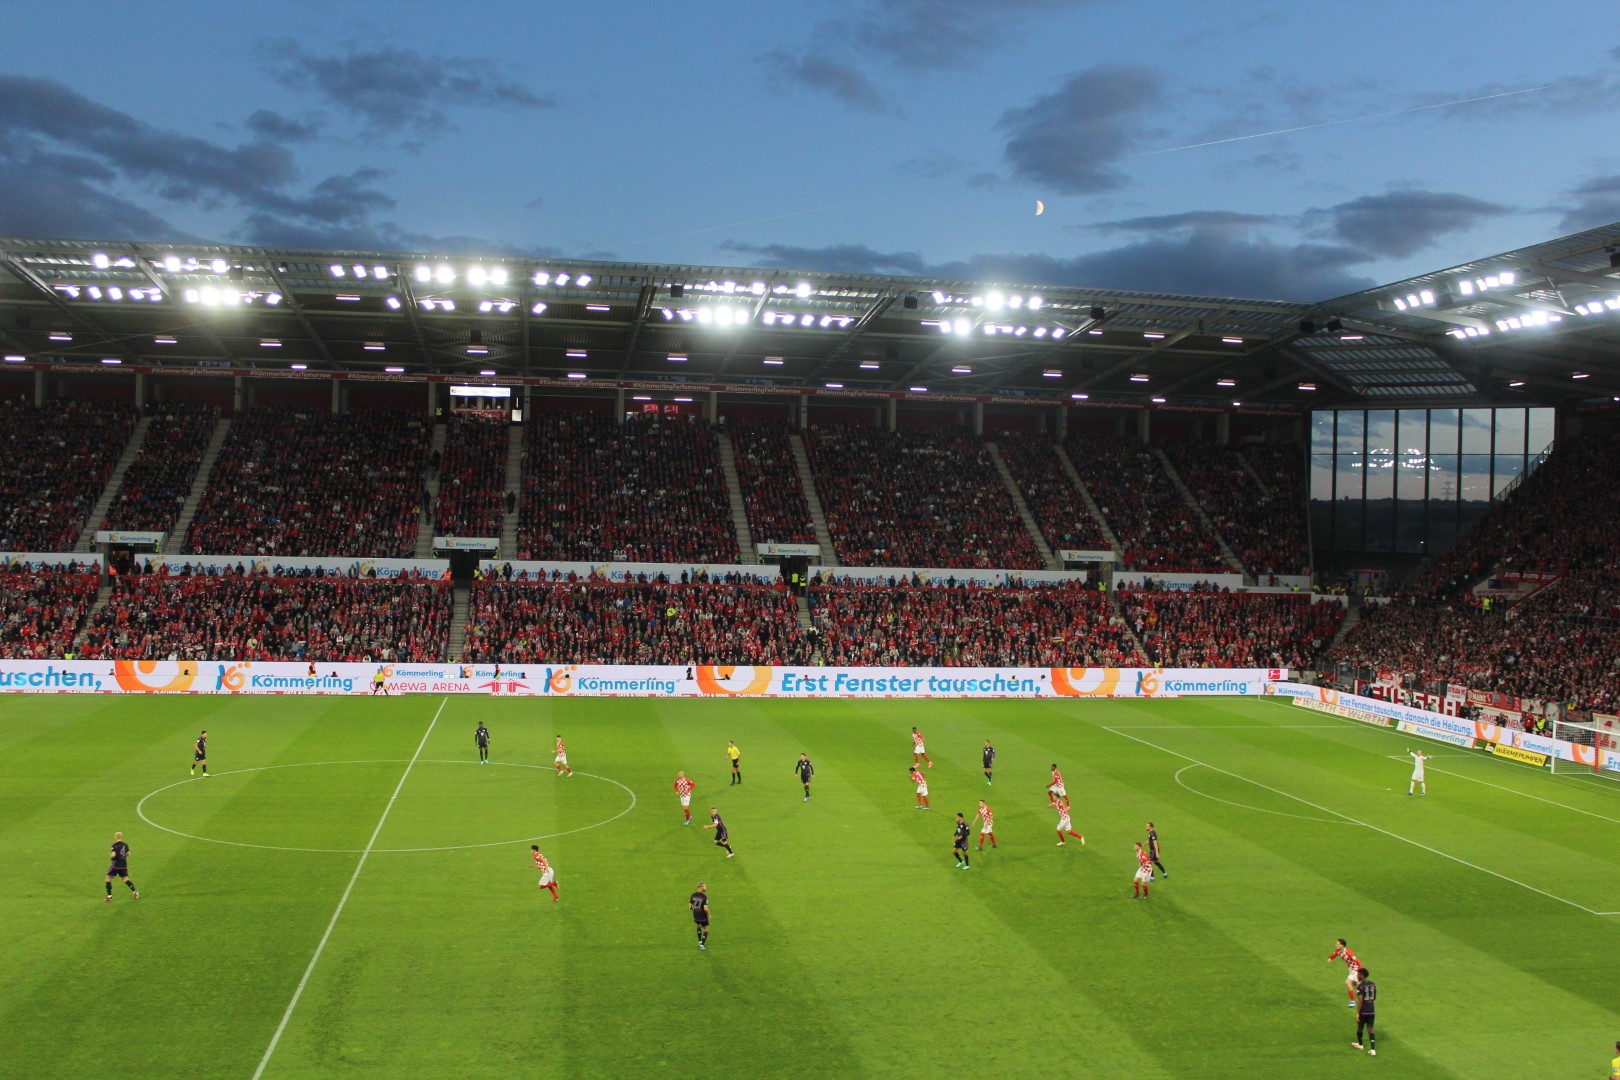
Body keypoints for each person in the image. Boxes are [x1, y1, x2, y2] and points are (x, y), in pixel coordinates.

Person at [1350, 967, 1377, 1056]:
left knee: (1360, 1028)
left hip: (1363, 1011)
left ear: (1362, 975)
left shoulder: (1360, 986)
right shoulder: (1373, 984)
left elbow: (1361, 1000)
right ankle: (1373, 1050)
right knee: (1370, 1029)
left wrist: (1358, 1013)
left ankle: (1360, 1045)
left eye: (1358, 974)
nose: (1357, 976)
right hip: (1371, 1010)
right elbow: (1374, 997)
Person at [104, 831, 138, 901]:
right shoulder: (125, 845)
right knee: (126, 879)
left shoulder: (114, 845)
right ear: (121, 837)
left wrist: (111, 858)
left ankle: (109, 897)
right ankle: (135, 892)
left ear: (116, 837)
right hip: (123, 865)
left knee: (108, 879)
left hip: (116, 865)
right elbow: (129, 854)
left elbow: (113, 855)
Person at [1328, 939, 1361, 1006]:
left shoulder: (1348, 953)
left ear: (1342, 945)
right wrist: (1330, 958)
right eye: (1336, 944)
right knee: (1354, 982)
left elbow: (1358, 962)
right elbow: (1334, 954)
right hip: (1351, 969)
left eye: (1338, 944)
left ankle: (1353, 1001)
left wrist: (1360, 971)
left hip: (1356, 968)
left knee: (1348, 982)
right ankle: (1361, 990)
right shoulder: (1338, 951)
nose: (1336, 945)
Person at [690, 882, 710, 950]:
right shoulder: (704, 897)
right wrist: (709, 914)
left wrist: (695, 910)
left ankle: (699, 941)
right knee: (706, 929)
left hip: (696, 915)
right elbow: (705, 909)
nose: (706, 888)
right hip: (702, 916)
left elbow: (690, 906)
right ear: (701, 887)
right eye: (705, 886)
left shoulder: (693, 895)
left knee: (698, 925)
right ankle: (702, 945)